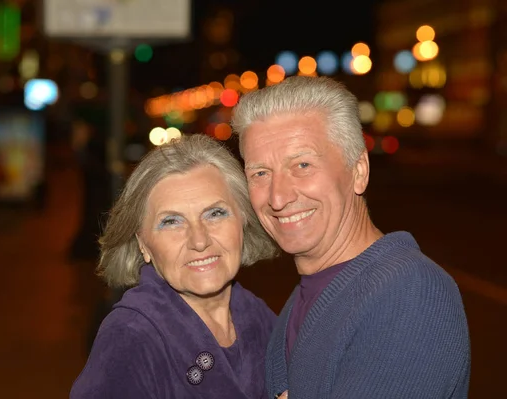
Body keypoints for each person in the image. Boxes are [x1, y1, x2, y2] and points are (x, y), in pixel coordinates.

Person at [230, 76, 471, 399]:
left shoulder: (409, 292)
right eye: (260, 173)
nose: (277, 197)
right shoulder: (307, 296)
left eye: (302, 164)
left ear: (358, 171)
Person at [70, 134, 279, 398]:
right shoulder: (131, 338)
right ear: (143, 244)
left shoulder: (256, 315)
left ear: (243, 220)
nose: (199, 240)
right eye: (171, 221)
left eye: (215, 213)